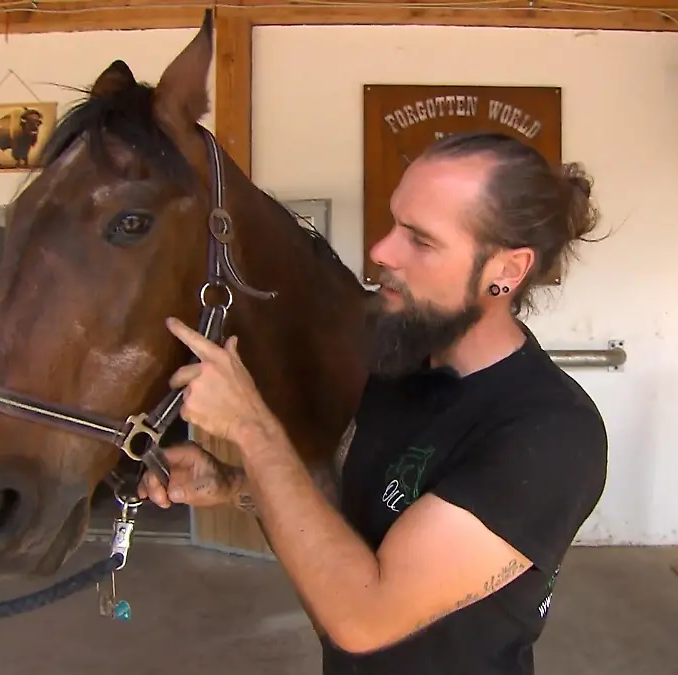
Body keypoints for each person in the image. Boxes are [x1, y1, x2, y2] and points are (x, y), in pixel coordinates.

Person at [138, 131, 609, 675]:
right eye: (393, 224)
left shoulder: (550, 436)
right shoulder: (402, 364)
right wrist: (236, 485)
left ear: (506, 269)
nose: (382, 251)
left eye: (421, 240)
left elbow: (363, 617)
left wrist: (252, 427)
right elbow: (351, 525)